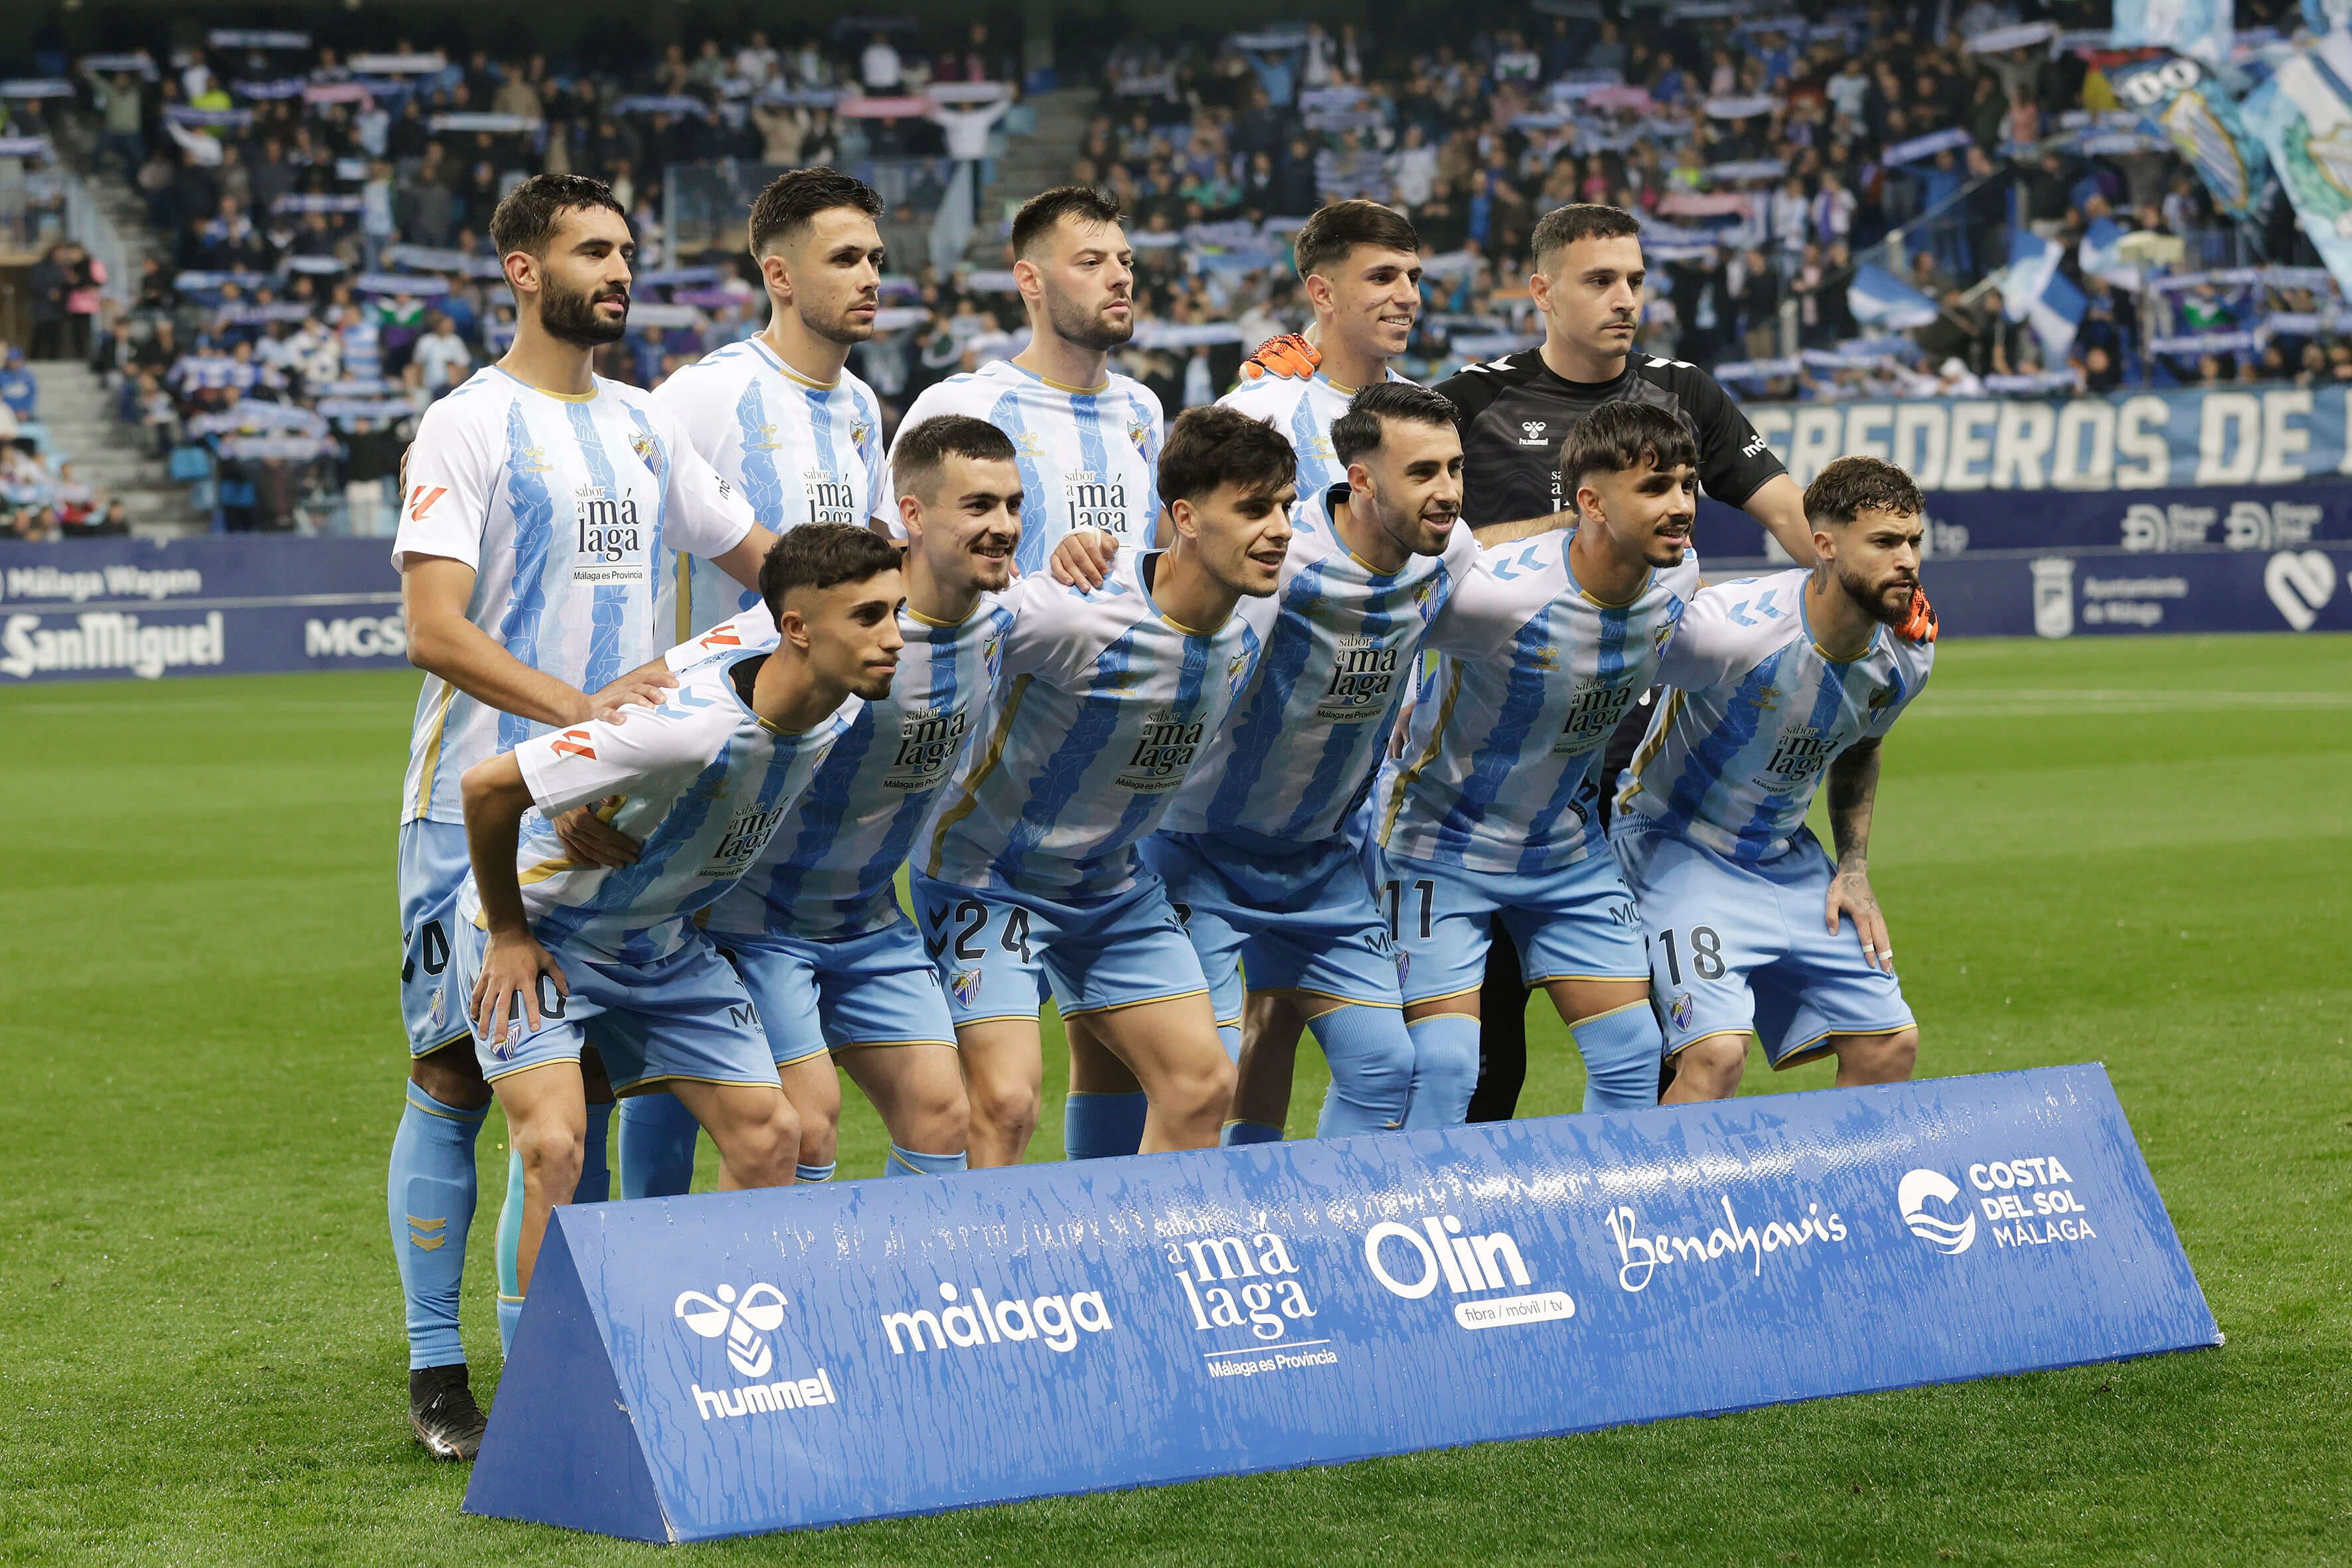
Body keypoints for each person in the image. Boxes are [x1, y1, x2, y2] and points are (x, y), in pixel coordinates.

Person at [385, 174, 782, 1461]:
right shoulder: (467, 424)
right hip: (476, 811)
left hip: (615, 818)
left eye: (628, 249)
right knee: (455, 1077)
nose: (619, 270)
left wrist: (924, 578)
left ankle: (567, 1354)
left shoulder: (646, 427)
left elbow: (773, 566)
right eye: (592, 251)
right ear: (519, 268)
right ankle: (438, 1369)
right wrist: (582, 730)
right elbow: (433, 629)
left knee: (580, 1096)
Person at [453, 524, 902, 1360]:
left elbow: (719, 638)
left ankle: (717, 1363)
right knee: (553, 1144)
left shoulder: (823, 688)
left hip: (662, 946)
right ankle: (541, 1396)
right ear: (798, 628)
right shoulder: (683, 730)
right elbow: (487, 787)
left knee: (774, 1137)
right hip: (545, 934)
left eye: (897, 613)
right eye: (870, 616)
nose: (894, 638)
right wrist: (510, 929)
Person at [597, 416, 1020, 1194]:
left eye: (1013, 505)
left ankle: (901, 1309)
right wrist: (589, 777)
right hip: (752, 923)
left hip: (869, 919)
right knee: (806, 1126)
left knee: (941, 1114)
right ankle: (743, 1304)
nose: (1003, 527)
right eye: (979, 505)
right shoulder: (830, 617)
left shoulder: (1007, 615)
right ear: (914, 516)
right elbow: (662, 681)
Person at [911, 406, 1292, 1166]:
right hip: (989, 879)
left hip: (1114, 886)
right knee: (1007, 1104)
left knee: (1203, 1086)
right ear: (1184, 517)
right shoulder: (1067, 612)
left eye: (1285, 506)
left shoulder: (1263, 604)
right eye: (1254, 510)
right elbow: (931, 618)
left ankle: (1137, 1274)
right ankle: (975, 1276)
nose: (1279, 528)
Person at [1143, 382, 1479, 1144]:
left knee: (1384, 1065)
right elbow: (1168, 593)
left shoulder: (1449, 553)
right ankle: (1167, 1245)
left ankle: (1323, 1235)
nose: (1449, 493)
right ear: (1361, 480)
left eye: (1456, 469)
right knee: (1199, 1075)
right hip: (1198, 851)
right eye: (1424, 472)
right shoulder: (1280, 561)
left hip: (1324, 860)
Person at [1368, 401, 1702, 1124]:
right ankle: (1414, 1228)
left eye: (1686, 485)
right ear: (1590, 503)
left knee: (1634, 1051)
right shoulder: (1498, 592)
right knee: (1446, 1067)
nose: (1680, 507)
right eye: (1655, 489)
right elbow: (1383, 625)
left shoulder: (1677, 578)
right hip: (1439, 844)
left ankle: (1613, 1218)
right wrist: (1401, 699)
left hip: (1564, 848)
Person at [1611, 456, 1932, 1102]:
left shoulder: (1910, 649)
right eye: (1885, 542)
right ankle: (1662, 1206)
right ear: (1824, 545)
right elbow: (1601, 662)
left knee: (1889, 1044)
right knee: (1716, 1055)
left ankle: (1835, 1198)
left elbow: (1863, 746)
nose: (1907, 560)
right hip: (1675, 842)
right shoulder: (1729, 629)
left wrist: (1855, 869)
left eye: (1914, 541)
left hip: (1784, 856)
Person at [652, 168, 893, 641]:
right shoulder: (703, 393)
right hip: (710, 703)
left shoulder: (862, 402)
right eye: (845, 260)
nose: (871, 280)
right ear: (779, 276)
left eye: (875, 260)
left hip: (828, 707)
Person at [889, 187, 1163, 578]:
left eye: (1125, 261)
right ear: (1031, 281)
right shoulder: (961, 404)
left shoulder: (1143, 406)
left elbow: (1165, 551)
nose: (1120, 277)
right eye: (1090, 262)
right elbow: (886, 552)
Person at [1219, 200, 1423, 503]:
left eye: (1413, 278)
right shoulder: (1255, 415)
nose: (1409, 296)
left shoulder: (1427, 410)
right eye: (1382, 278)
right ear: (1323, 294)